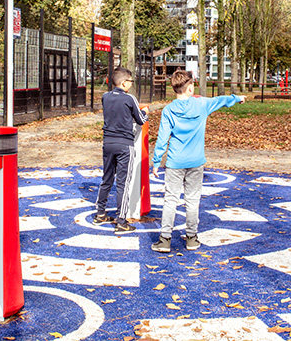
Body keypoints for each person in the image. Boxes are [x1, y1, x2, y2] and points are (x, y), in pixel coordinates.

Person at [151, 70, 245, 253]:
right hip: (196, 161)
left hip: (174, 162)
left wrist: (156, 162)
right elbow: (221, 100)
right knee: (192, 201)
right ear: (190, 88)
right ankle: (192, 238)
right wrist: (237, 97)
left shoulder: (168, 110)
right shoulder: (201, 104)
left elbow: (162, 138)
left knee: (170, 200)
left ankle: (165, 239)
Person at [94, 67, 149, 234]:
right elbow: (140, 120)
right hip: (125, 144)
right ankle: (121, 221)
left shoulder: (105, 97)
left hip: (108, 143)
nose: (131, 85)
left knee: (107, 178)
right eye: (131, 81)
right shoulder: (129, 98)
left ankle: (100, 213)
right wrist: (145, 112)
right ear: (124, 82)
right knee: (123, 184)